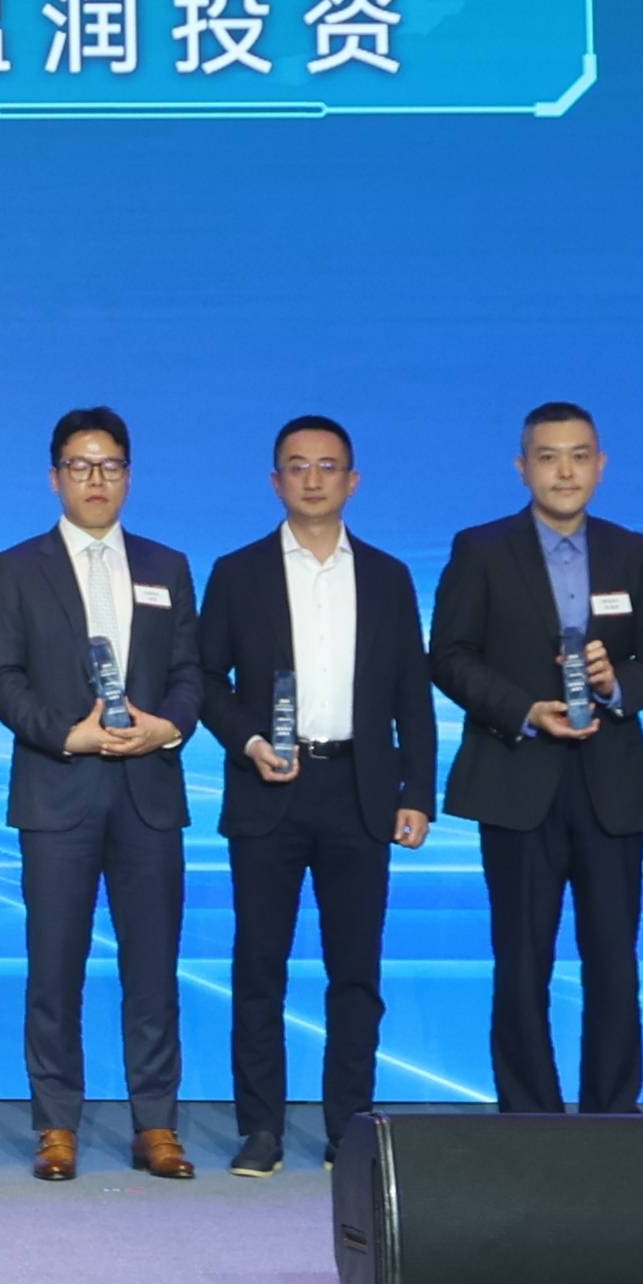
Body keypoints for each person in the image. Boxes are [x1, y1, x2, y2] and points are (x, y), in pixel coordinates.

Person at [193, 413, 436, 1176]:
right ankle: (260, 1129)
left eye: (328, 466)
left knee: (355, 972)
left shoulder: (389, 576)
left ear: (352, 481)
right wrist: (248, 741)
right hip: (270, 787)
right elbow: (205, 680)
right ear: (275, 481)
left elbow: (413, 693)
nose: (312, 479)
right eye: (297, 466)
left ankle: (349, 1128)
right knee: (259, 969)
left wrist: (418, 792)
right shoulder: (238, 572)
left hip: (362, 790)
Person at [431, 400, 643, 1117]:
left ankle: (614, 1116)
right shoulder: (481, 549)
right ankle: (529, 1119)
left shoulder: (633, 551)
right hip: (516, 777)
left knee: (615, 963)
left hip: (611, 785)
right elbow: (448, 656)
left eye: (579, 456)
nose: (565, 471)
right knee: (521, 963)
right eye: (548, 457)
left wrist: (617, 685)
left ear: (600, 466)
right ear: (523, 468)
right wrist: (524, 709)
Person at [0, 407, 202, 1184]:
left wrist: (166, 726)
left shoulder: (168, 566)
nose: (95, 479)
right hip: (57, 787)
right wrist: (65, 735)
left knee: (153, 968)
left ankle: (157, 1122)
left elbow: (191, 672)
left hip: (148, 791)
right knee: (54, 967)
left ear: (129, 477)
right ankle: (56, 1124)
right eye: (80, 466)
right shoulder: (16, 568)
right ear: (54, 478)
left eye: (109, 466)